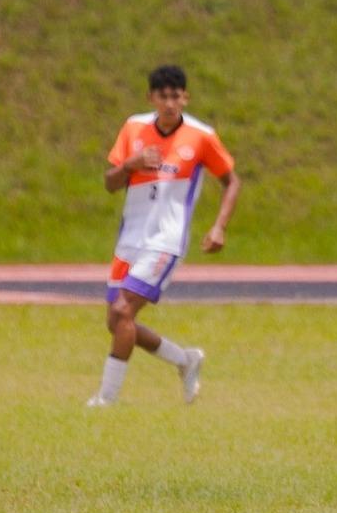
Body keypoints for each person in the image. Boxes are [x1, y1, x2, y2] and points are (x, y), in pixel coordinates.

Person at [87, 65, 240, 407]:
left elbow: (232, 181)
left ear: (185, 97)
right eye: (163, 96)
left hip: (166, 240)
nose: (170, 103)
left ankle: (105, 400)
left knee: (124, 311)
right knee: (116, 321)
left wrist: (219, 226)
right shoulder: (134, 128)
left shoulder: (201, 136)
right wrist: (131, 165)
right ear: (151, 98)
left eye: (176, 96)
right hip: (131, 238)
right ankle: (185, 360)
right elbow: (110, 184)